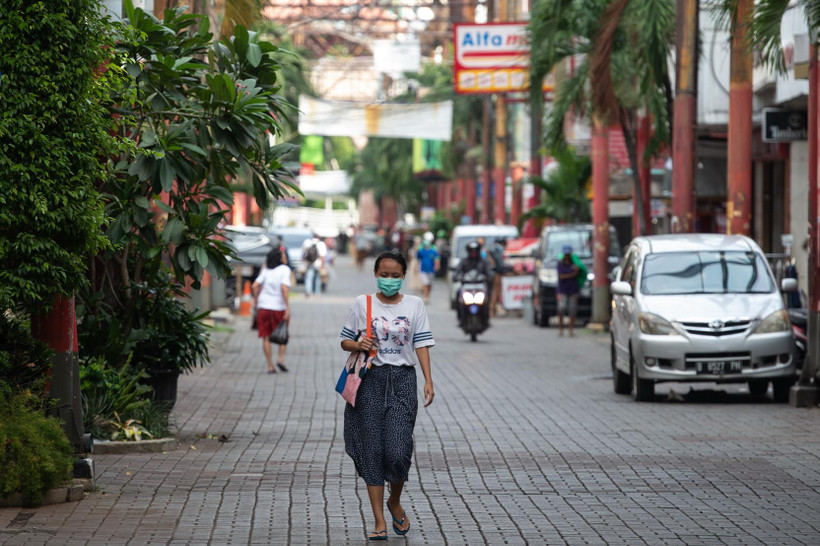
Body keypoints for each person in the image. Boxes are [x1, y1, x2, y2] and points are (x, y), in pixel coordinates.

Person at [339, 250, 435, 541]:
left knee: (397, 450)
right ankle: (379, 521)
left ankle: (394, 501)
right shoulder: (362, 303)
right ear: (375, 274)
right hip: (369, 380)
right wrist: (358, 344)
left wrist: (428, 380)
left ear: (404, 276)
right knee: (372, 450)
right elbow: (344, 341)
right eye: (384, 274)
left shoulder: (415, 304)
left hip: (404, 380)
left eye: (395, 275)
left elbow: (421, 343)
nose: (389, 280)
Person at [252, 248, 291, 373]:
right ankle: (280, 359)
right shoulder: (285, 269)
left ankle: (270, 365)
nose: (285, 256)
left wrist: (256, 301)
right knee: (283, 334)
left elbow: (254, 286)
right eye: (283, 255)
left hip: (263, 307)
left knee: (266, 337)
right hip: (278, 307)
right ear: (280, 258)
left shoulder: (266, 270)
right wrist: (287, 306)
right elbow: (284, 287)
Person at [454, 241, 493, 324]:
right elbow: (457, 271)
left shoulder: (483, 262)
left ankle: (486, 316)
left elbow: (489, 271)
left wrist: (490, 276)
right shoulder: (464, 261)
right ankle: (460, 316)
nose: (473, 253)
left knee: (488, 294)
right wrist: (456, 277)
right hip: (467, 286)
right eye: (471, 251)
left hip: (480, 286)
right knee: (458, 293)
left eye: (475, 251)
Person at [556, 245, 582, 337]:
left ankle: (571, 329)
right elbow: (561, 276)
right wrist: (572, 274)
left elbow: (580, 272)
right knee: (561, 309)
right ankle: (561, 329)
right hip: (562, 290)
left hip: (573, 289)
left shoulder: (575, 263)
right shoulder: (560, 264)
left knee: (572, 310)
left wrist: (576, 271)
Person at [416, 231, 440, 304]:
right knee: (425, 283)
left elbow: (437, 259)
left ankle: (427, 294)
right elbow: (417, 259)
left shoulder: (434, 249)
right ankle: (426, 297)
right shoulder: (420, 249)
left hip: (431, 270)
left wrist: (437, 266)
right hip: (423, 269)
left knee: (429, 284)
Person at [301, 233, 327, 297]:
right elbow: (322, 256)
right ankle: (317, 292)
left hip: (309, 263)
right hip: (318, 264)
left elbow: (303, 253)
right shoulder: (321, 244)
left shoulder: (307, 242)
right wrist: (322, 266)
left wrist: (303, 263)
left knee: (309, 277)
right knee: (317, 278)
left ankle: (308, 291)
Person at [488, 238, 507, 317]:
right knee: (495, 292)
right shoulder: (498, 250)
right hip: (497, 274)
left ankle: (493, 310)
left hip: (493, 273)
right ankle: (492, 310)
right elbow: (500, 264)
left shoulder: (491, 250)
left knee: (495, 292)